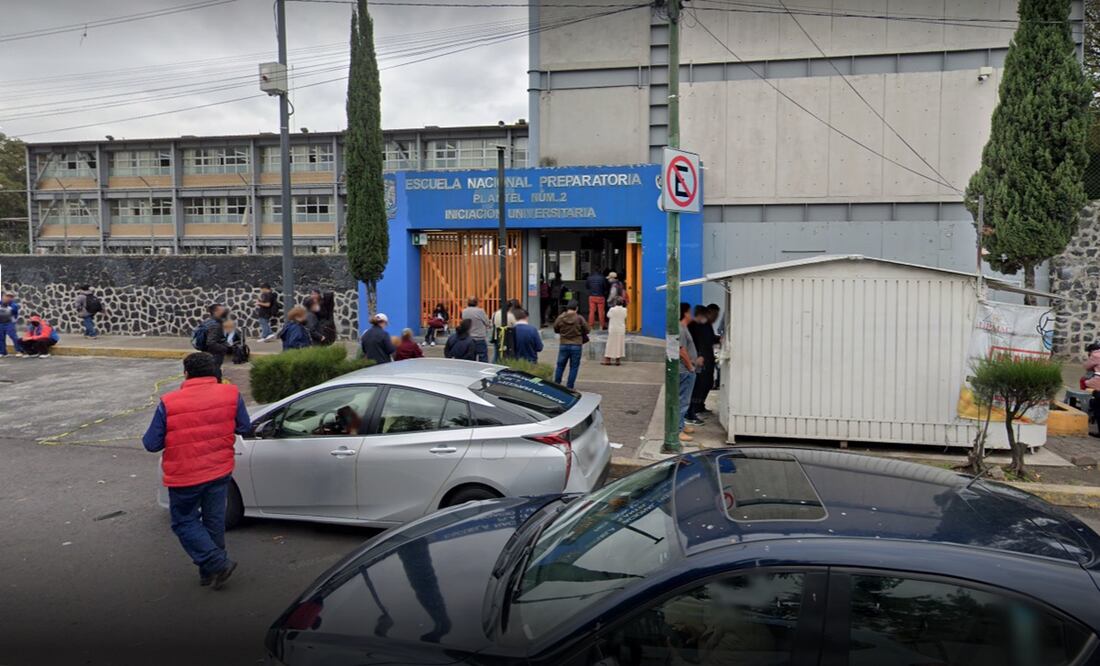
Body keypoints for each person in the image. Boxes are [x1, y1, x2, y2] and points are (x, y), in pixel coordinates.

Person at [142, 352, 250, 590]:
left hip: (185, 475)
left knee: (183, 521)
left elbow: (151, 443)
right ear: (214, 372)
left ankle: (217, 563)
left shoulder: (170, 402)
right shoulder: (231, 394)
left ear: (186, 373)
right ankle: (209, 573)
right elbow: (244, 426)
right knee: (213, 520)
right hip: (220, 469)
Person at [678, 303, 704, 443]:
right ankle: (678, 429)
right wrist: (690, 366)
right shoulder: (681, 329)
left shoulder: (683, 328)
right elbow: (681, 350)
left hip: (686, 369)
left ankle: (681, 424)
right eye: (689, 312)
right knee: (683, 400)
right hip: (685, 370)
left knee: (683, 399)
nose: (691, 315)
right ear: (685, 313)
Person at [687, 304, 718, 422]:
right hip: (699, 360)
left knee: (707, 383)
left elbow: (708, 339)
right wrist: (697, 357)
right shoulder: (694, 326)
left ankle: (699, 406)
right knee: (698, 385)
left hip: (706, 358)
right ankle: (692, 411)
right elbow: (694, 343)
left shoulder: (706, 326)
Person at [553, 301, 589, 389]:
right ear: (576, 308)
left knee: (560, 366)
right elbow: (587, 330)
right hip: (576, 345)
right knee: (574, 367)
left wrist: (563, 333)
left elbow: (555, 328)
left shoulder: (561, 317)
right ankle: (570, 387)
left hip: (564, 344)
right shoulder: (579, 318)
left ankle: (557, 385)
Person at [201, 304, 231, 381]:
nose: (225, 312)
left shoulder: (208, 321)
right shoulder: (215, 325)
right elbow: (211, 343)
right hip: (214, 354)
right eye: (222, 310)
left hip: (207, 352)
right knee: (215, 372)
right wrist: (225, 348)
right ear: (216, 312)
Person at [460, 297, 493, 363]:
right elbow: (487, 323)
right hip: (479, 337)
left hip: (468, 338)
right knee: (483, 358)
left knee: (470, 359)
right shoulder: (480, 311)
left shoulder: (464, 311)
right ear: (477, 303)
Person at [603, 297, 628, 366]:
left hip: (613, 329)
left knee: (610, 344)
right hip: (621, 329)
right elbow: (625, 317)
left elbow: (608, 315)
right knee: (619, 344)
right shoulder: (625, 310)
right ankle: (618, 360)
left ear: (615, 303)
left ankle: (608, 359)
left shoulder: (612, 309)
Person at [0, 292, 21, 357]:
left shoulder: (14, 305)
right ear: (3, 296)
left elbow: (14, 314)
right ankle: (3, 352)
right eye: (7, 296)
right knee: (1, 338)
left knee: (13, 336)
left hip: (9, 323)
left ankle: (18, 350)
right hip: (0, 323)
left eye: (10, 297)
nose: (8, 298)